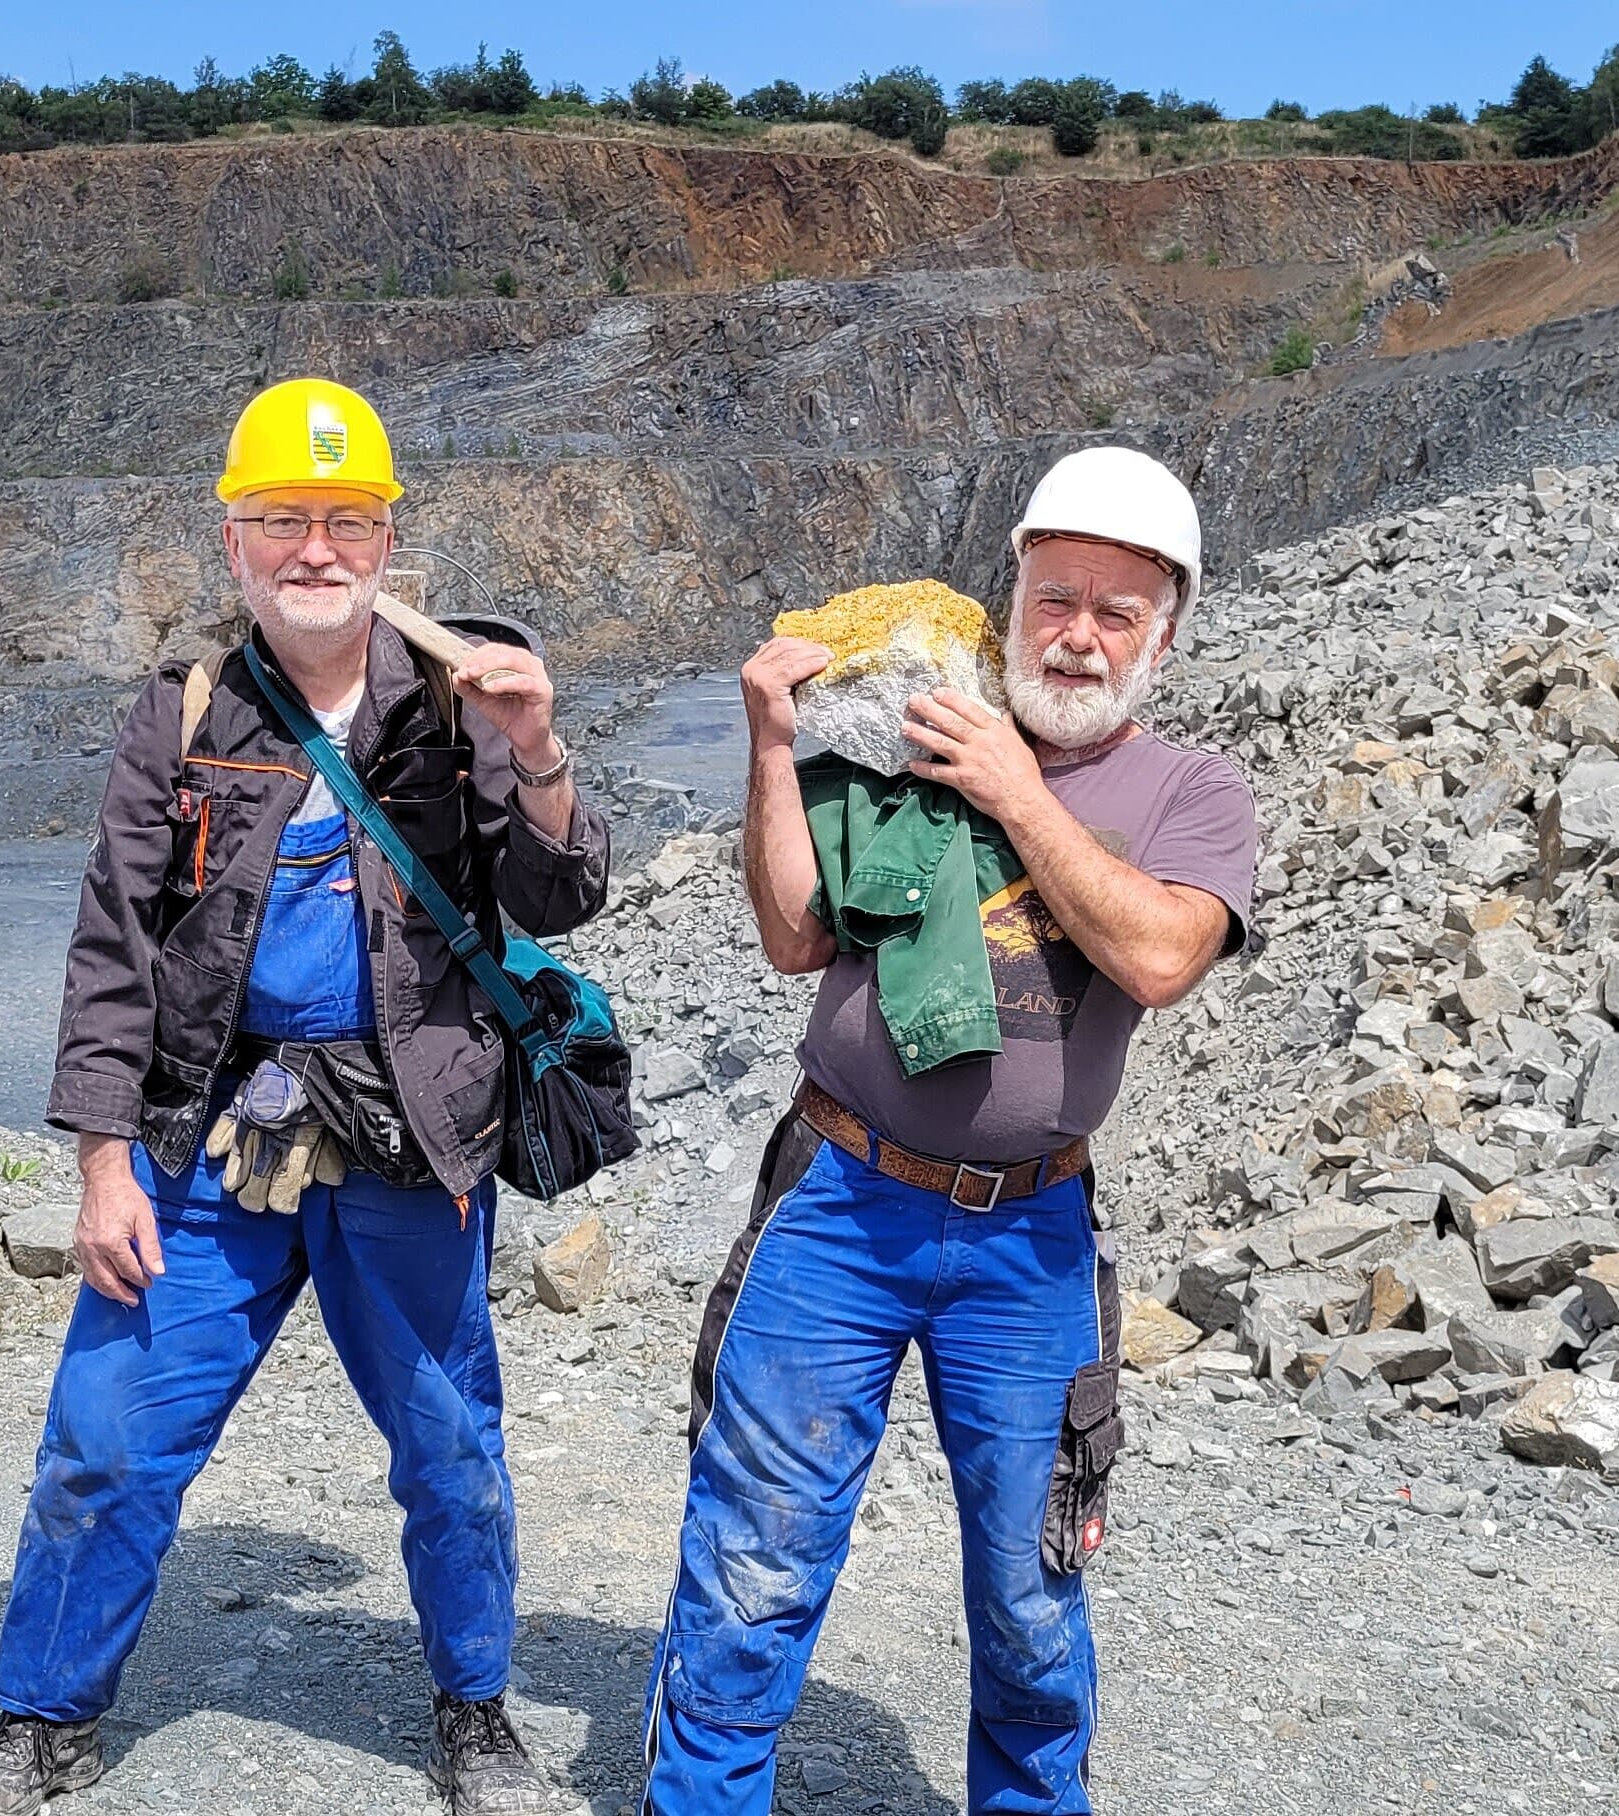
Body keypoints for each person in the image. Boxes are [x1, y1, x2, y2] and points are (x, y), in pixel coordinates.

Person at [0, 378, 611, 1816]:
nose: (316, 548)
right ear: (232, 540)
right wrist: (104, 1165)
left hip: (407, 1134)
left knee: (450, 1449)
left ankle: (475, 1711)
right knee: (108, 1438)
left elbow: (566, 893)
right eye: (282, 520)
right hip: (210, 1137)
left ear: (388, 539)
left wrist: (540, 749)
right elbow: (113, 944)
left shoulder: (465, 698)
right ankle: (43, 1716)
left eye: (344, 520)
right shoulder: (179, 716)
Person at [639, 446, 1262, 1815]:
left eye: (1118, 611)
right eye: (1057, 599)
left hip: (1030, 1236)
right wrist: (766, 745)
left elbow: (1160, 957)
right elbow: (795, 936)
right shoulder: (905, 726)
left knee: (1034, 1595)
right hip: (840, 1201)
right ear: (1016, 594)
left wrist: (1014, 790)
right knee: (752, 1563)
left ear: (1168, 634)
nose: (1080, 636)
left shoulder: (1189, 795)